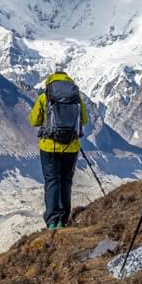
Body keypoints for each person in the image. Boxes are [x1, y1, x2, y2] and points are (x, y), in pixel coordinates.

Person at [29, 67, 88, 229]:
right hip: (71, 147)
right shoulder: (76, 99)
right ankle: (64, 218)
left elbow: (34, 121)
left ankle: (53, 221)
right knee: (66, 181)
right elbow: (84, 120)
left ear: (50, 82)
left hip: (49, 147)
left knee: (52, 181)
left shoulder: (44, 97)